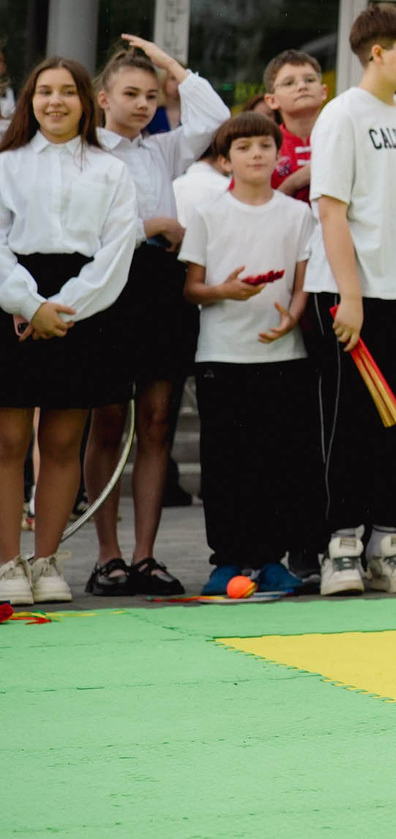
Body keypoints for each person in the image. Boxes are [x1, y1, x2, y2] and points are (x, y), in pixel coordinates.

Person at [306, 4, 396, 598]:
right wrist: (352, 297)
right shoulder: (342, 115)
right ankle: (340, 546)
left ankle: (391, 545)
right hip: (354, 293)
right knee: (353, 427)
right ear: (376, 53)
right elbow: (331, 208)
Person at [85, 34, 225, 598]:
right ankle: (107, 555)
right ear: (102, 97)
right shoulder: (83, 153)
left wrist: (171, 66)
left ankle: (145, 555)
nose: (143, 105)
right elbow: (81, 232)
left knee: (158, 421)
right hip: (109, 285)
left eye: (151, 96)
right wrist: (153, 226)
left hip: (161, 289)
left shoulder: (161, 149)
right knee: (109, 420)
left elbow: (214, 117)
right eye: (131, 93)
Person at [0, 58, 141, 606]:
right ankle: (8, 563)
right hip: (14, 300)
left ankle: (47, 562)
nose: (54, 101)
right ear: (29, 101)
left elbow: (115, 249)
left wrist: (66, 308)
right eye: (43, 92)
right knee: (8, 440)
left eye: (66, 92)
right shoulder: (7, 165)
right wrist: (29, 304)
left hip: (83, 304)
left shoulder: (111, 171)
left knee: (61, 441)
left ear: (86, 100)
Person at [179, 110, 320, 596]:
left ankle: (271, 558)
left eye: (264, 145)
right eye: (243, 147)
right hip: (221, 355)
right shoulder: (207, 214)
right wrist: (224, 290)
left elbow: (303, 283)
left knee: (279, 461)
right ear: (224, 159)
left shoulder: (298, 214)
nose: (256, 154)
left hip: (285, 356)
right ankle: (227, 559)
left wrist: (292, 316)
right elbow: (192, 288)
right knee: (225, 464)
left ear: (279, 154)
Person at [259, 49, 328, 199]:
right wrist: (294, 183)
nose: (302, 86)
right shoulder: (263, 145)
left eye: (310, 80)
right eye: (289, 83)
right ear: (272, 100)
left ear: (324, 92)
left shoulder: (341, 137)